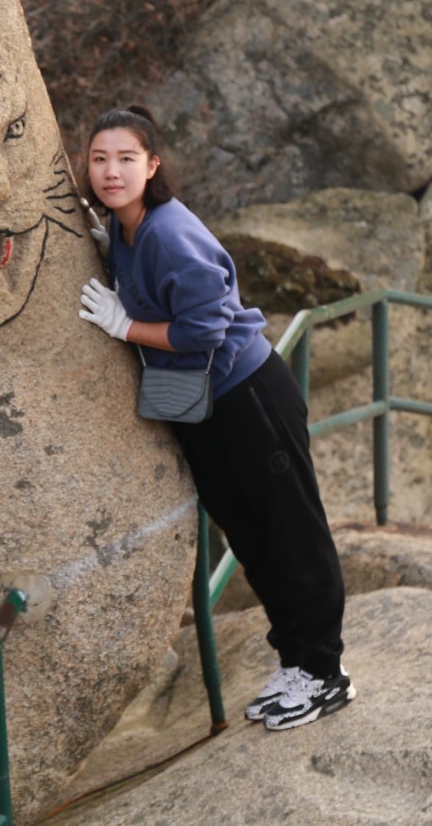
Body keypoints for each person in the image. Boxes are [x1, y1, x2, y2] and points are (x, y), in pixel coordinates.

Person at [75, 104, 354, 731]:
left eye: (125, 159)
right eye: (99, 159)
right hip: (203, 404)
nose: (110, 171)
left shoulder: (170, 231)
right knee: (251, 536)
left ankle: (326, 673)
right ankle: (296, 661)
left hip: (247, 392)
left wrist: (125, 326)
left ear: (152, 165)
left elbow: (205, 328)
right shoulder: (123, 226)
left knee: (292, 532)